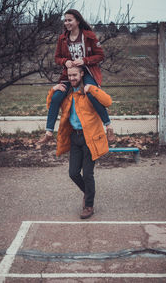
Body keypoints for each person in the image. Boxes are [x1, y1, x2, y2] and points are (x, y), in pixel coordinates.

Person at [46, 66, 112, 219]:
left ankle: (88, 205)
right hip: (75, 138)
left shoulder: (89, 92)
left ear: (82, 74)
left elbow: (108, 101)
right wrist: (53, 89)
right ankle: (89, 193)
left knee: (88, 174)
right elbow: (51, 105)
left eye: (75, 75)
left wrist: (92, 88)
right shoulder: (68, 94)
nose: (72, 78)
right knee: (73, 173)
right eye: (69, 75)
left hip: (91, 138)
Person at [39, 9, 114, 144]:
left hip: (87, 71)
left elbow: (100, 55)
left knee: (91, 93)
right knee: (56, 96)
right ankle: (49, 132)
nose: (66, 23)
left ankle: (108, 126)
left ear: (77, 21)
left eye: (70, 20)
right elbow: (57, 58)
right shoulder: (62, 38)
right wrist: (65, 62)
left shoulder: (89, 36)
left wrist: (84, 60)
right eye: (65, 20)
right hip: (69, 73)